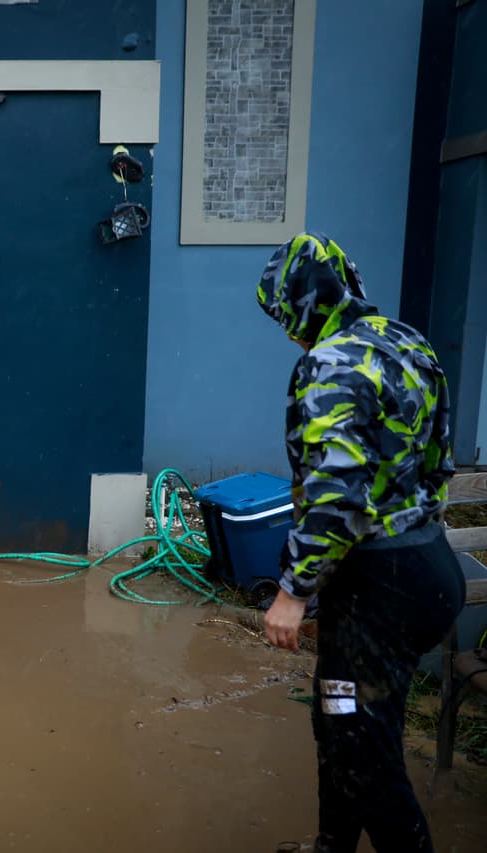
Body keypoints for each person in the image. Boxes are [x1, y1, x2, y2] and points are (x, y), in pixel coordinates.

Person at [256, 233, 465, 852]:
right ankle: (331, 845)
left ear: (301, 305)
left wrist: (293, 592)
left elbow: (338, 497)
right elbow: (436, 460)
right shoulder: (405, 341)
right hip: (427, 566)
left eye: (285, 317)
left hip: (379, 590)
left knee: (365, 752)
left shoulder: (330, 365)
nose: (288, 333)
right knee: (339, 717)